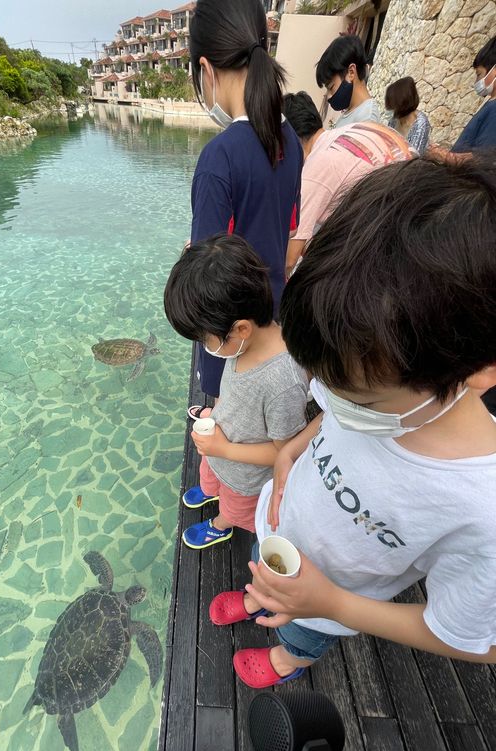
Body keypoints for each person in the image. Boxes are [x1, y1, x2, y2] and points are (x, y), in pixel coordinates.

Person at [208, 157, 496, 689]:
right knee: (264, 573)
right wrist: (296, 445)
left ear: (478, 370)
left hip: (328, 603)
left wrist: (330, 603)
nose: (327, 400)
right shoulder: (379, 385)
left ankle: (288, 662)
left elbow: (467, 636)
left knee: (300, 636)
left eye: (353, 398)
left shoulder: (482, 508)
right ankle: (257, 597)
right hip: (282, 524)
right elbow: (342, 418)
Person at [187, 0, 303, 405]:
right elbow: (286, 230)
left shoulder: (219, 157)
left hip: (231, 343)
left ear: (206, 70)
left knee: (222, 444)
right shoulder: (290, 139)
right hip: (274, 326)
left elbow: (208, 283)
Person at [164, 234, 308, 549]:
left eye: (205, 339)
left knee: (234, 507)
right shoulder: (242, 345)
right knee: (211, 476)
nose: (205, 347)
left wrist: (225, 450)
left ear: (241, 328)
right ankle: (211, 488)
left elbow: (285, 452)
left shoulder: (282, 380)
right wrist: (216, 416)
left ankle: (222, 525)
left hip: (244, 477)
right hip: (219, 447)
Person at [283, 91, 410, 275]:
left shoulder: (316, 165)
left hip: (396, 242)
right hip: (421, 211)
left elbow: (288, 260)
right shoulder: (352, 131)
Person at [429, 36, 496, 161]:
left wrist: (442, 155)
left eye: (479, 74)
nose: (477, 81)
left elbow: (481, 162)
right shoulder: (490, 105)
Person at [316, 35, 381, 127]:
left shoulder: (366, 119)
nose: (328, 96)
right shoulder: (350, 113)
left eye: (331, 87)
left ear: (351, 72)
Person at [385, 76, 431, 155]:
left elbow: (414, 156)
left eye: (393, 106)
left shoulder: (420, 123)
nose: (391, 110)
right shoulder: (394, 121)